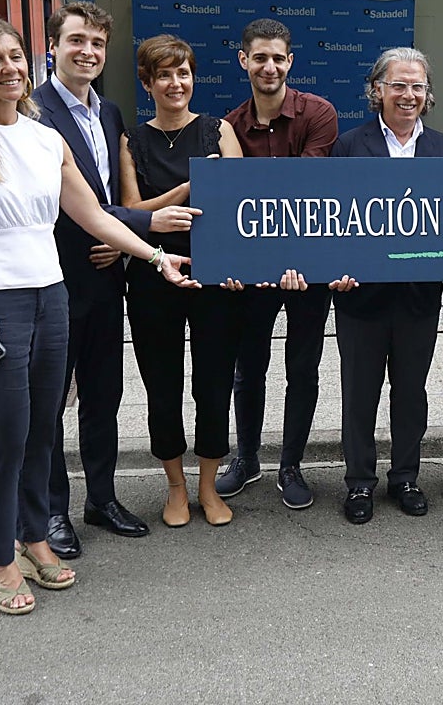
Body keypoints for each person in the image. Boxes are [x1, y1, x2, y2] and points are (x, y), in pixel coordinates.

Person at [0, 14, 198, 615]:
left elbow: (94, 214)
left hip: (53, 296)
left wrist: (155, 256)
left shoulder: (45, 138)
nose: (10, 69)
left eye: (16, 57)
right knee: (4, 437)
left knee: (43, 431)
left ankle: (36, 539)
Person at [34, 2, 196, 557]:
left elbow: (104, 202)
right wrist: (142, 229)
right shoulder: (33, 112)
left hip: (107, 279)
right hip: (54, 278)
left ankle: (100, 498)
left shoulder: (109, 113)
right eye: (77, 40)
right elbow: (58, 203)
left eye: (98, 44)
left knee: (104, 395)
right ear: (53, 45)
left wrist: (119, 242)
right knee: (52, 402)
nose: (88, 52)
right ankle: (52, 510)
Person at [328, 47, 443, 525]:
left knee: (411, 392)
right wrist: (338, 269)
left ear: (427, 95)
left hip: (418, 296)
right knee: (360, 392)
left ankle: (406, 478)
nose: (408, 95)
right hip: (360, 296)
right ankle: (360, 484)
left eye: (417, 87)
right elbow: (333, 218)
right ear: (377, 90)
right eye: (398, 85)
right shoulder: (348, 145)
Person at [119, 34, 245, 529]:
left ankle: (208, 486)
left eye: (183, 72)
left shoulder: (220, 131)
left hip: (213, 277)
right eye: (165, 75)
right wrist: (189, 188)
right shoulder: (132, 139)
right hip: (153, 274)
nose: (176, 83)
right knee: (161, 384)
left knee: (213, 383)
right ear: (147, 83)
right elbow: (130, 212)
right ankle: (174, 487)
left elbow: (239, 204)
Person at [216, 18, 338, 510]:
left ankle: (291, 464)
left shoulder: (319, 113)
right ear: (243, 60)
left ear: (291, 62)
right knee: (249, 369)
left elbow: (302, 189)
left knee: (302, 368)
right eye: (259, 57)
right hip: (253, 269)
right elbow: (233, 201)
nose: (270, 66)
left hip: (309, 266)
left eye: (278, 58)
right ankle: (246, 459)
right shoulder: (229, 124)